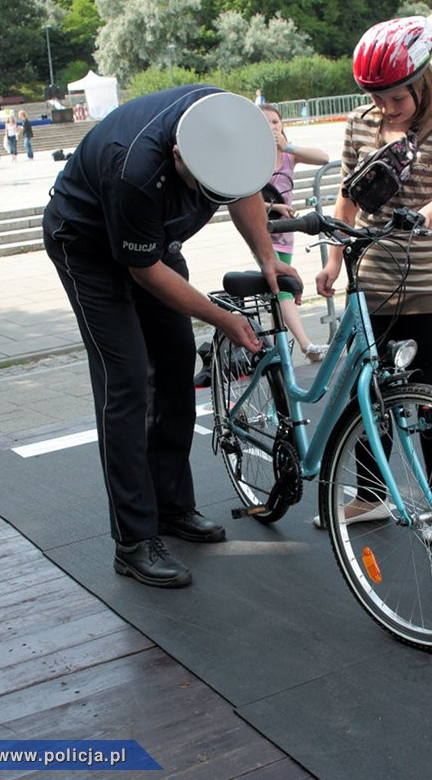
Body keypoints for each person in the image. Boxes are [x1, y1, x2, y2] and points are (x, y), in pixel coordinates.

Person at [42, 86, 303, 588]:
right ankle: (134, 540)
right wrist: (222, 319)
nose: (208, 198)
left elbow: (245, 187)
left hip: (155, 240)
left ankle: (171, 507)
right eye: (201, 187)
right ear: (179, 152)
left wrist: (268, 257)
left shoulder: (230, 125)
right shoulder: (135, 167)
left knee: (178, 361)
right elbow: (144, 273)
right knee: (129, 381)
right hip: (87, 245)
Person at [314, 16, 432, 540]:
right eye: (378, 98)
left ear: (422, 81)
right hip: (370, 284)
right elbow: (348, 193)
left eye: (396, 98)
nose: (385, 108)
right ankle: (371, 496)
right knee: (369, 396)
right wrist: (333, 260)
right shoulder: (360, 125)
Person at [260, 103, 330, 361]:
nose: (271, 127)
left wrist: (286, 146)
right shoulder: (253, 157)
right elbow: (244, 199)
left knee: (277, 290)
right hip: (264, 230)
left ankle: (277, 346)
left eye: (275, 122)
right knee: (283, 288)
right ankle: (305, 345)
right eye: (265, 122)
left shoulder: (288, 155)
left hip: (287, 231)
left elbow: (323, 158)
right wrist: (275, 206)